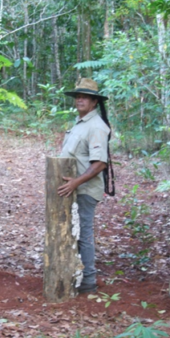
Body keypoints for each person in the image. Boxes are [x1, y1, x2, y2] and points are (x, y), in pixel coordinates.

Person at [57, 78, 115, 294]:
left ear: (94, 102)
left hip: (84, 190)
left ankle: (89, 281)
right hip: (73, 188)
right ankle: (74, 273)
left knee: (84, 233)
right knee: (74, 232)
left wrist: (75, 183)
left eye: (85, 97)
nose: (80, 99)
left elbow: (99, 163)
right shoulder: (80, 123)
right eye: (78, 96)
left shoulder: (97, 127)